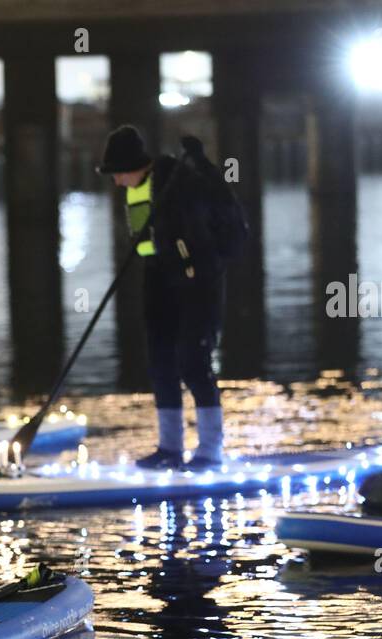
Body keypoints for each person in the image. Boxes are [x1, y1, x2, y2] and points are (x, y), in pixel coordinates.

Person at [98, 125, 235, 469]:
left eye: (117, 174)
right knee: (160, 363)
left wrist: (202, 161)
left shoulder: (177, 180)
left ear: (132, 166)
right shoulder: (137, 186)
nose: (115, 182)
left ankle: (209, 452)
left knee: (192, 360)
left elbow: (219, 195)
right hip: (156, 275)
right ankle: (170, 449)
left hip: (196, 277)